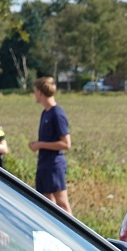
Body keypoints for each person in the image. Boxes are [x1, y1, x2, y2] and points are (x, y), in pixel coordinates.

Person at [29, 77, 71, 212]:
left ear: (40, 92)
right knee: (47, 204)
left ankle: (71, 233)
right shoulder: (45, 113)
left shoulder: (57, 114)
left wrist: (40, 144)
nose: (34, 94)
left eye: (35, 91)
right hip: (43, 164)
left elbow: (66, 143)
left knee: (62, 203)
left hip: (54, 165)